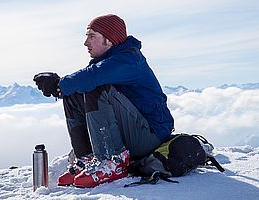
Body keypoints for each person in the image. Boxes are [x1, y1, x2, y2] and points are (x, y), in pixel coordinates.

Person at [33, 14, 174, 188]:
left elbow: (93, 76)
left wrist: (60, 83)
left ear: (110, 40)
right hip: (133, 132)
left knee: (93, 85)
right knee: (74, 92)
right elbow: (84, 79)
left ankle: (111, 161)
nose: (86, 43)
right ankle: (87, 158)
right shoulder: (107, 62)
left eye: (92, 36)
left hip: (151, 135)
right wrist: (59, 87)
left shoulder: (129, 60)